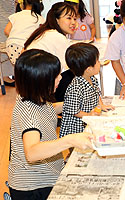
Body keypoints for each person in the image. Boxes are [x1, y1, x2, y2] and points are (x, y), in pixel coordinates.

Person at [8, 49, 93, 200]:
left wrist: (73, 104)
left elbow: (48, 109)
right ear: (41, 81)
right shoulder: (30, 115)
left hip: (48, 175)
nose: (60, 78)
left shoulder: (32, 97)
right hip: (34, 188)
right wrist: (71, 140)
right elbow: (32, 152)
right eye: (56, 76)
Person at [24, 2, 76, 102]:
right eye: (69, 18)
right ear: (56, 19)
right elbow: (70, 65)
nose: (73, 22)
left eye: (74, 18)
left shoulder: (46, 31)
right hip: (39, 82)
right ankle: (67, 109)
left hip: (30, 78)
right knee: (72, 73)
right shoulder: (56, 36)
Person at [59, 43, 114, 138]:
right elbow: (74, 111)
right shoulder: (76, 88)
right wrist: (89, 115)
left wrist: (101, 105)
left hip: (89, 121)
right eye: (97, 61)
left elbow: (97, 95)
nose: (99, 63)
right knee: (78, 148)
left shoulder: (92, 79)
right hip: (76, 129)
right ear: (88, 69)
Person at [3, 0, 45, 86]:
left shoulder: (15, 15)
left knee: (20, 67)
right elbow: (41, 35)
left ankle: (21, 84)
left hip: (11, 47)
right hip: (26, 48)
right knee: (30, 67)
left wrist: (16, 36)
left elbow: (6, 31)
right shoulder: (39, 18)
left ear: (23, 4)